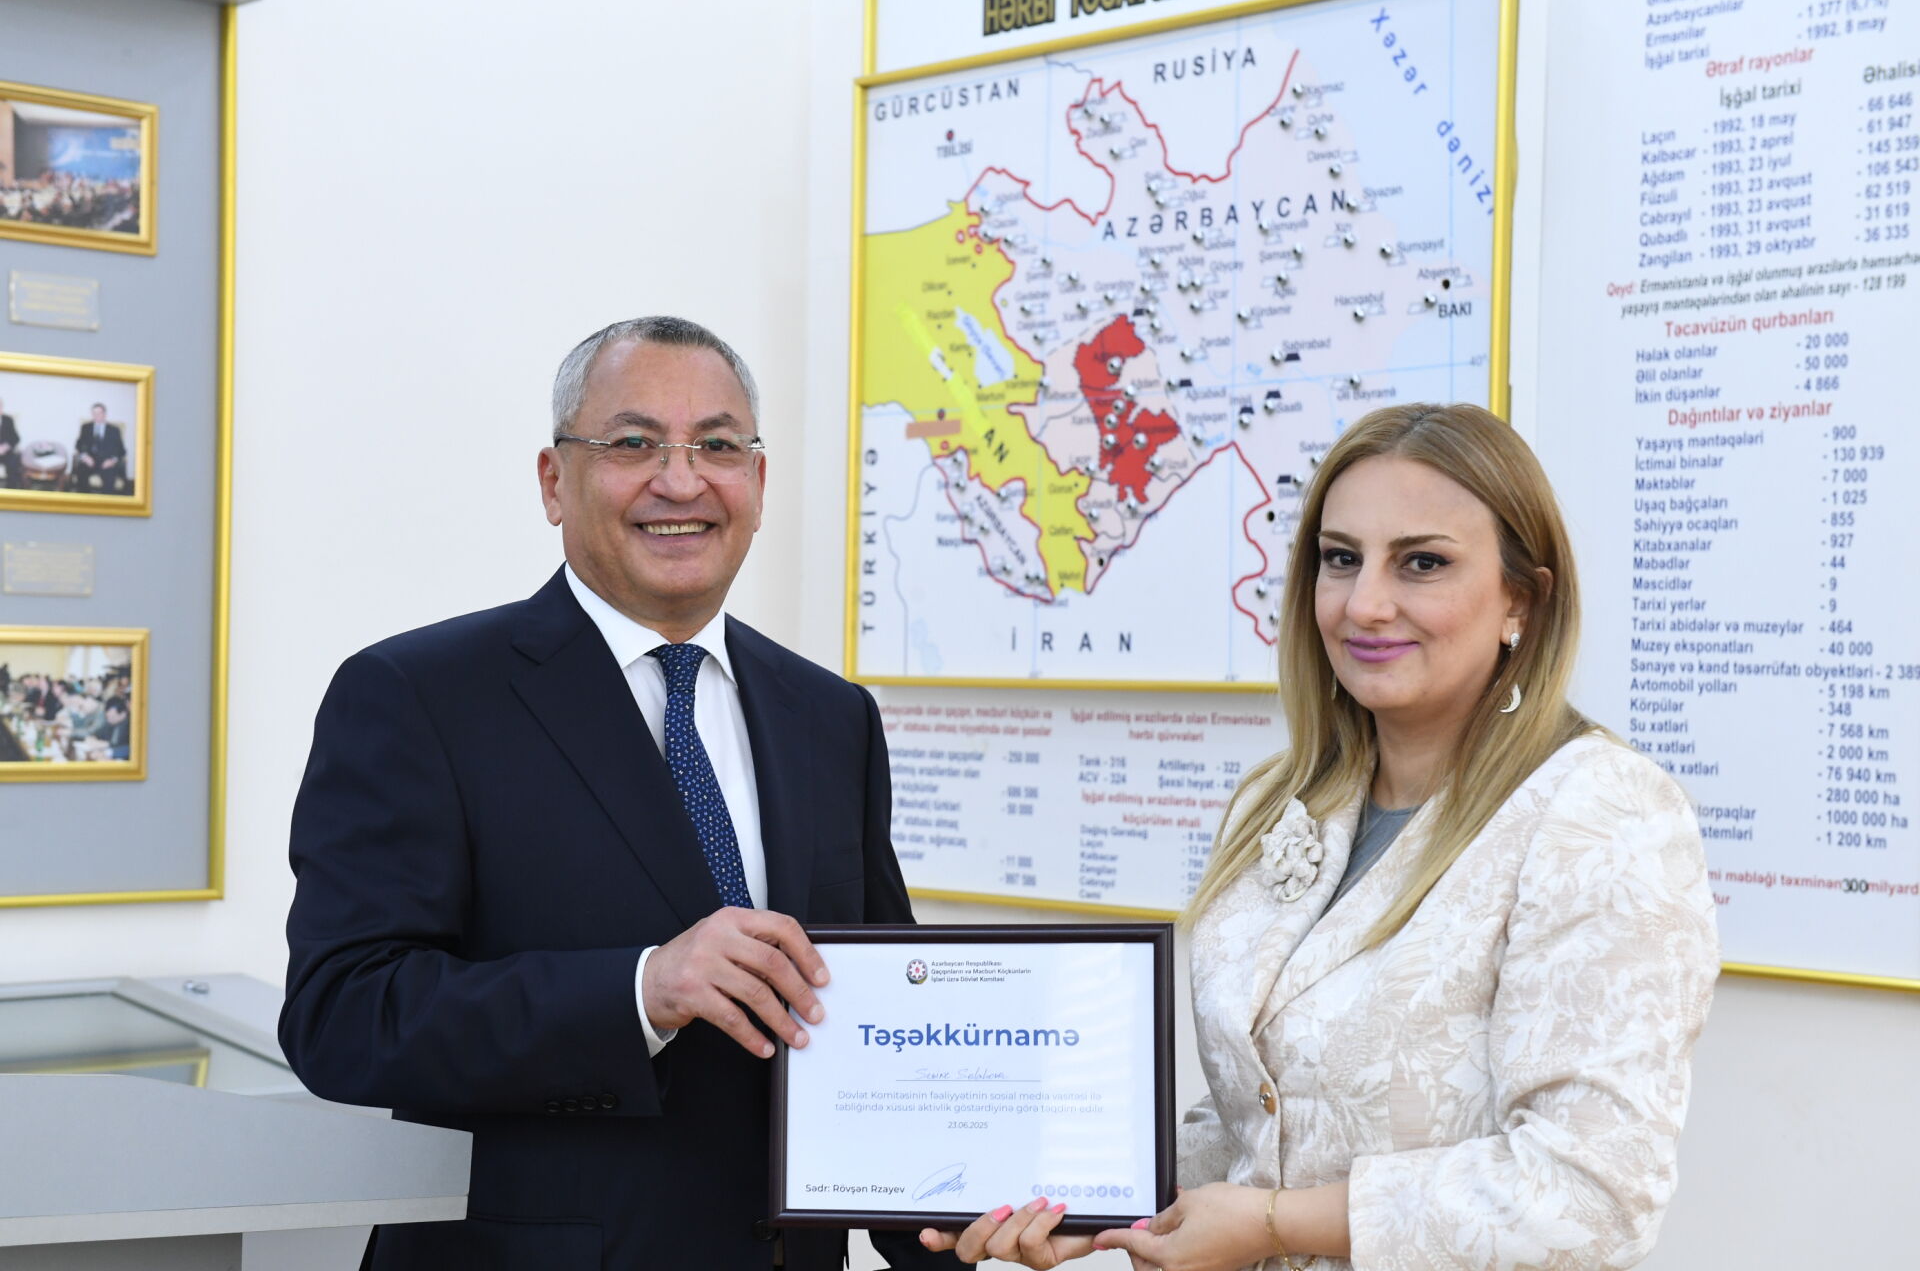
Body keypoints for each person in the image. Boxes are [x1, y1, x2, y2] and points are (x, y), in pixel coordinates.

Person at [925, 404, 1719, 1270]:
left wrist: (1275, 1223)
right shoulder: (1283, 801)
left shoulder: (1603, 812)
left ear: (1520, 602)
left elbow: (1589, 1197)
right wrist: (1095, 1199)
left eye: (1422, 563)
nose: (1364, 604)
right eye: (1340, 559)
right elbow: (1263, 1116)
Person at [278, 316, 959, 1270]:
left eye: (718, 446)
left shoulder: (829, 715)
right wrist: (640, 990)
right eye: (634, 443)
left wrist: (957, 1220)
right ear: (554, 482)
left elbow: (868, 1014)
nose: (681, 482)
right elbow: (344, 1016)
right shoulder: (417, 696)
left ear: (758, 484)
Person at [72, 403, 127, 494]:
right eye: (94, 413)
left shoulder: (114, 430)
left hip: (107, 462)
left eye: (99, 413)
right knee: (81, 473)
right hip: (90, 460)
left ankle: (105, 501)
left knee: (109, 480)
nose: (96, 416)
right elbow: (79, 445)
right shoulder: (86, 427)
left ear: (104, 414)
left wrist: (112, 460)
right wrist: (85, 457)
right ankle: (85, 500)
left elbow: (121, 450)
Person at [0, 400, 21, 489]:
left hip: (5, 452)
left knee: (14, 462)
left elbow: (16, 438)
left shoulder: (8, 420)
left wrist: (6, 446)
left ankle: (11, 489)